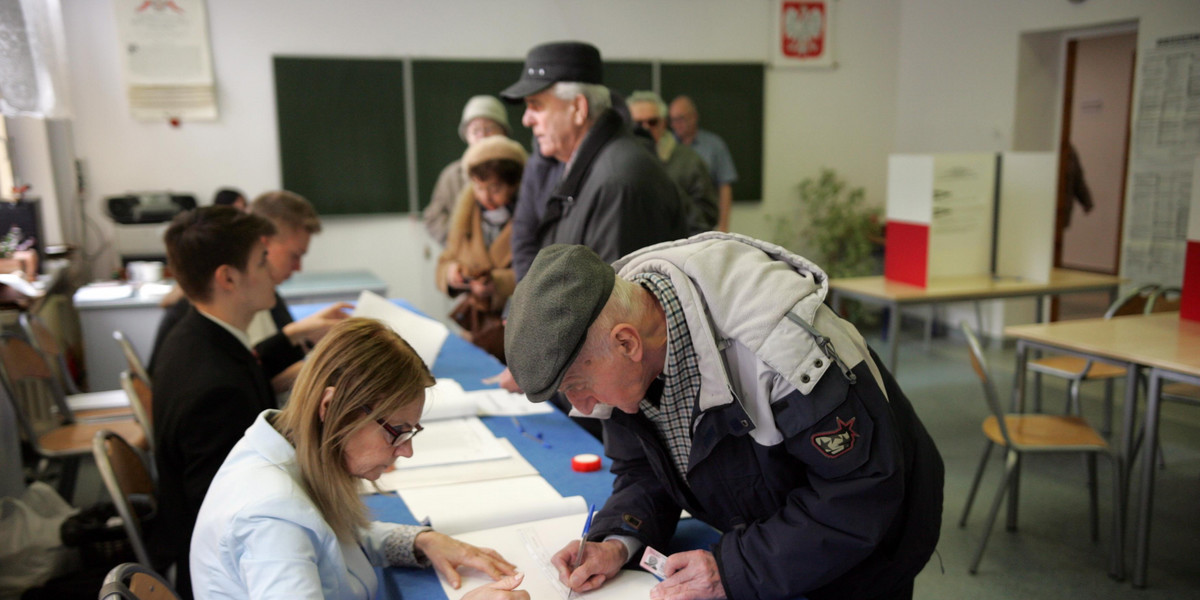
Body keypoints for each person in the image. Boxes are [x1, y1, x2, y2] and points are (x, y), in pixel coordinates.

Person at [504, 236, 945, 600]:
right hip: (773, 533)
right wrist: (617, 540)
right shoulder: (618, 334)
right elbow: (645, 470)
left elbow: (858, 493)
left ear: (627, 344)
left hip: (865, 549)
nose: (582, 407)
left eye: (578, 387)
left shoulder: (776, 344)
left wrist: (733, 568)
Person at [190, 318, 528, 600]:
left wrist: (421, 541)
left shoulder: (283, 446)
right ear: (330, 408)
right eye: (396, 430)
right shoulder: (272, 521)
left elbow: (332, 540)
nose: (406, 450)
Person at [492, 41, 691, 408]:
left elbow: (612, 320)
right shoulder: (579, 168)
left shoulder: (620, 179)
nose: (526, 119)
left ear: (578, 108)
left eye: (536, 106)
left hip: (627, 404)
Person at [152, 206, 281, 599]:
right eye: (262, 262)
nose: (273, 272)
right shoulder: (217, 393)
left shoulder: (195, 336)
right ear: (227, 277)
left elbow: (250, 364)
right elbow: (243, 521)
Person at [149, 190, 349, 392]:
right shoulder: (212, 370)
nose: (298, 268)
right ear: (263, 243)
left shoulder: (211, 324)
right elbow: (245, 377)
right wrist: (329, 368)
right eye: (262, 260)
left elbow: (253, 363)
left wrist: (299, 334)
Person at [436, 136, 527, 362]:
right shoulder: (465, 217)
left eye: (495, 188)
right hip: (476, 328)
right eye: (478, 187)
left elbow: (538, 270)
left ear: (515, 184)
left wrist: (496, 283)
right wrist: (451, 273)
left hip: (518, 329)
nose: (485, 196)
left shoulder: (529, 218)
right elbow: (446, 258)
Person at [424, 95, 512, 246]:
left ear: (503, 132)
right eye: (475, 131)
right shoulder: (452, 175)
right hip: (468, 264)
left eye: (489, 129)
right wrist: (458, 241)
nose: (483, 136)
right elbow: (433, 217)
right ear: (466, 136)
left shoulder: (523, 168)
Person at [628, 90, 718, 232]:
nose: (645, 129)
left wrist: (668, 188)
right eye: (638, 124)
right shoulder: (619, 164)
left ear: (663, 123)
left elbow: (707, 218)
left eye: (652, 122)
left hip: (677, 249)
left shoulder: (690, 161)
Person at [669, 96, 738, 233]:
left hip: (704, 224)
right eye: (672, 120)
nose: (676, 124)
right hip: (672, 226)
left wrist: (723, 226)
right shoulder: (665, 147)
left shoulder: (714, 145)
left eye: (680, 118)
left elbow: (725, 186)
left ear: (694, 117)